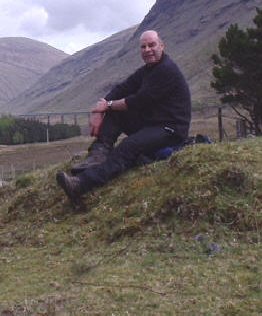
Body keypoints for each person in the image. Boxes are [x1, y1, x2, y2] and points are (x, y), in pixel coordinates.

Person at [56, 29, 191, 207]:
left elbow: (138, 101)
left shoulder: (166, 70)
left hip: (170, 129)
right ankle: (98, 155)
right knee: (115, 111)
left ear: (162, 45)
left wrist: (108, 105)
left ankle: (81, 184)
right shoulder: (148, 70)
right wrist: (101, 108)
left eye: (152, 45)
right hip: (153, 123)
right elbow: (123, 88)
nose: (148, 50)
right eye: (143, 46)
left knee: (128, 145)